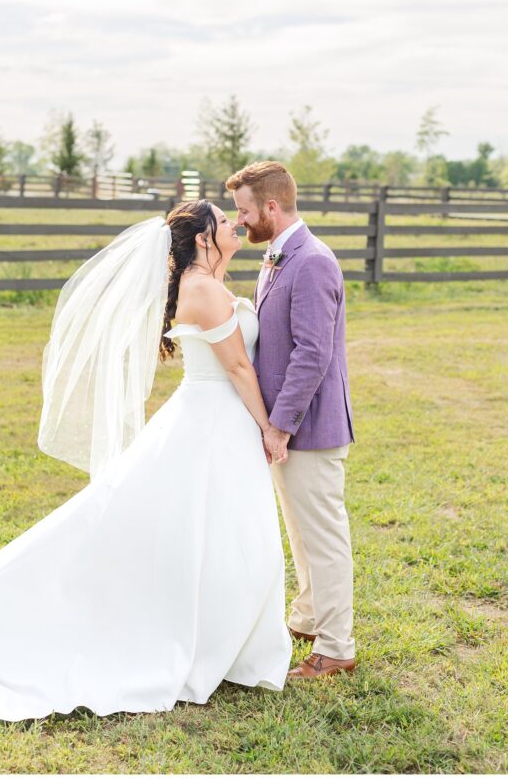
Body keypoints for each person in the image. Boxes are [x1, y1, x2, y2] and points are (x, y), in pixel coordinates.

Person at [0, 201, 292, 721]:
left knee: (218, 531)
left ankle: (223, 633)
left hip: (214, 422)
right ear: (205, 239)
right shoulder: (203, 289)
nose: (234, 223)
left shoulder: (208, 280)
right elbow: (236, 367)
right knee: (205, 529)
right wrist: (270, 426)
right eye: (223, 220)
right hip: (212, 421)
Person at [227, 162, 356, 680]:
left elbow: (312, 355)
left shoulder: (313, 262)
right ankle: (306, 616)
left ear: (271, 208)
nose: (240, 221)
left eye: (244, 211)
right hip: (286, 426)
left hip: (310, 425)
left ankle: (336, 647)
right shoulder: (278, 257)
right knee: (300, 532)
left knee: (323, 536)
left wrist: (279, 425)